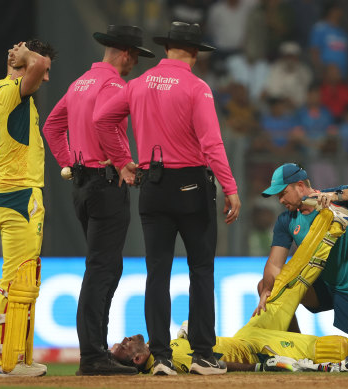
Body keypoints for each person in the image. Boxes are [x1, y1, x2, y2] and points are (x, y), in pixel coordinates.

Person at [111, 203, 348, 373]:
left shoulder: (165, 351)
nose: (125, 339)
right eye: (122, 347)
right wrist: (261, 364)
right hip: (255, 349)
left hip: (249, 333)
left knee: (284, 285)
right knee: (339, 349)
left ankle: (331, 227)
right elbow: (221, 363)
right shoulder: (169, 364)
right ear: (138, 360)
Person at [93, 21, 241, 376]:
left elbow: (101, 119)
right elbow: (211, 143)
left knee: (157, 272)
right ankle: (203, 355)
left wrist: (123, 160)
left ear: (167, 48)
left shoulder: (138, 84)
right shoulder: (197, 87)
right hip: (191, 187)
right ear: (195, 52)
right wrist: (230, 187)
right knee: (200, 270)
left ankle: (160, 357)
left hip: (152, 186)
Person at [42, 25, 154, 376]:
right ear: (125, 53)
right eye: (135, 56)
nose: (134, 63)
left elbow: (52, 126)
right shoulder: (116, 85)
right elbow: (103, 123)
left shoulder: (79, 83)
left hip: (82, 184)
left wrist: (68, 163)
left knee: (106, 266)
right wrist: (123, 163)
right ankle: (92, 356)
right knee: (102, 269)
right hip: (105, 186)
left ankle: (97, 350)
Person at [255, 163, 348, 344]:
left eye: (282, 193)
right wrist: (267, 291)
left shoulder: (335, 199)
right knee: (267, 286)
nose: (280, 201)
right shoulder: (286, 220)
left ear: (300, 186)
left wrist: (336, 195)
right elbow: (275, 264)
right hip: (323, 285)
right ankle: (294, 349)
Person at [0, 40, 56, 377]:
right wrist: (25, 55)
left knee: (24, 278)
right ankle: (6, 361)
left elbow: (39, 65)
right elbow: (40, 65)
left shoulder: (8, 94)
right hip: (18, 196)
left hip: (12, 194)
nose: (46, 78)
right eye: (43, 71)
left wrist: (26, 57)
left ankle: (19, 358)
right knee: (16, 280)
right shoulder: (14, 90)